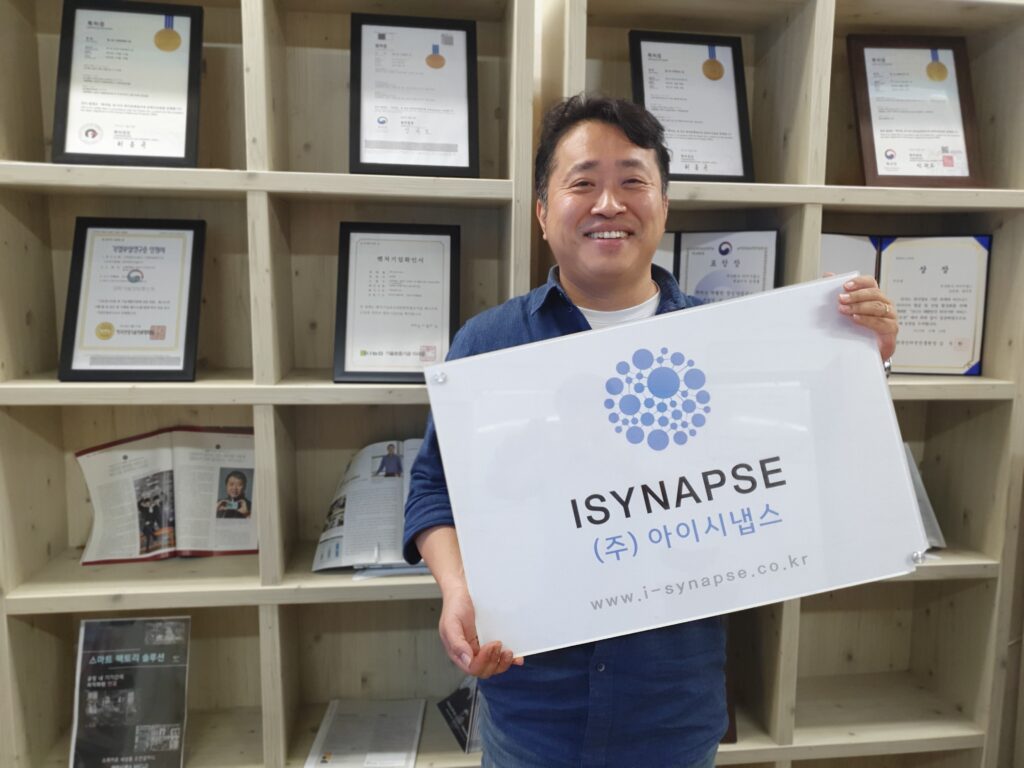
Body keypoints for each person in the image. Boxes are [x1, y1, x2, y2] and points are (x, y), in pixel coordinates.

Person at [403, 95, 899, 768]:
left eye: (633, 181)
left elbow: (808, 462)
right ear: (543, 212)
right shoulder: (487, 346)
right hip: (530, 708)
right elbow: (433, 489)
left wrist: (864, 363)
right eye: (583, 183)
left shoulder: (727, 348)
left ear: (663, 206)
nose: (609, 203)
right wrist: (457, 589)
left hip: (672, 709)